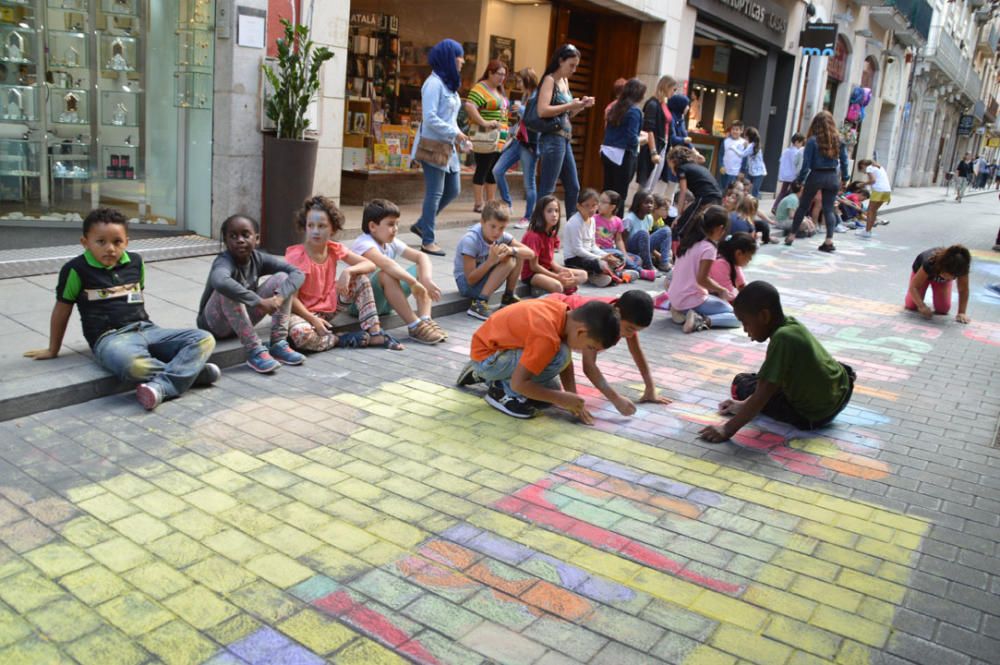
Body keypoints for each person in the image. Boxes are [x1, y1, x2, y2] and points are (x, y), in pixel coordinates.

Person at [25, 207, 218, 410]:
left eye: (117, 242)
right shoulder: (75, 270)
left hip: (148, 329)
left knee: (203, 339)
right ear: (85, 243)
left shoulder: (136, 262)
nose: (110, 248)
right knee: (134, 366)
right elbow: (62, 309)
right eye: (101, 242)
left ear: (126, 241)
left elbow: (136, 298)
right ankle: (191, 374)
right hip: (110, 339)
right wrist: (52, 349)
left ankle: (164, 384)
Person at [699, 281, 856, 442]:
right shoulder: (790, 324)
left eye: (746, 323)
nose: (745, 330)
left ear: (764, 316)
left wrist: (726, 429)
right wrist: (743, 404)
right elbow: (772, 380)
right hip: (842, 390)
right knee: (765, 379)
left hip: (815, 415)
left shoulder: (782, 339)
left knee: (742, 383)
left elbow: (763, 393)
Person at [456, 298, 621, 421]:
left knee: (551, 387)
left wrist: (571, 397)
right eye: (591, 346)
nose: (587, 350)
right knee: (557, 361)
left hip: (492, 348)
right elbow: (520, 383)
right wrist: (561, 398)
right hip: (488, 358)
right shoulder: (547, 337)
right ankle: (501, 392)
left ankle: (488, 375)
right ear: (581, 332)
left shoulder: (563, 313)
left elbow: (566, 364)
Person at [285, 196, 403, 353]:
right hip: (301, 313)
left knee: (360, 279)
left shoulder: (334, 248)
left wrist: (348, 271)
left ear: (333, 229)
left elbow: (369, 265)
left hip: (328, 307)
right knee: (301, 335)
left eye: (322, 226)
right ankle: (339, 339)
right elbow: (291, 300)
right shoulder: (296, 257)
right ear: (304, 227)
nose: (315, 231)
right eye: (310, 225)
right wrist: (312, 319)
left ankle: (375, 333)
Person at [197, 214, 304, 373]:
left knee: (282, 278)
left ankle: (278, 344)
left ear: (257, 238)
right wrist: (260, 302)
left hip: (241, 319)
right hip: (215, 326)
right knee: (227, 288)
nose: (240, 240)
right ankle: (254, 350)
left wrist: (279, 298)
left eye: (245, 235)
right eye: (233, 236)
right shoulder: (223, 261)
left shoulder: (258, 258)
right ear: (226, 241)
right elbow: (219, 281)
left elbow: (297, 273)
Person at [548, 290, 671, 412]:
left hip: (555, 317)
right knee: (559, 359)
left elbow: (636, 352)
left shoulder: (623, 317)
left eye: (635, 331)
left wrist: (650, 388)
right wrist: (574, 401)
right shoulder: (597, 321)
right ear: (617, 313)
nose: (630, 335)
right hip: (548, 314)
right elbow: (588, 367)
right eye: (629, 329)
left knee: (561, 356)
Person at [350, 199, 446, 345]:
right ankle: (414, 326)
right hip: (362, 305)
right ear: (372, 226)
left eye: (396, 224)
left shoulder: (390, 241)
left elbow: (421, 256)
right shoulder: (363, 243)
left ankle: (425, 319)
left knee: (420, 267)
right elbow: (387, 265)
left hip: (386, 301)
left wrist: (425, 280)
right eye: (390, 224)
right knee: (386, 273)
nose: (395, 228)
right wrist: (413, 282)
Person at [410, 39, 470, 256]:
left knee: (453, 190)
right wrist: (455, 133)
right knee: (434, 193)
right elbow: (430, 118)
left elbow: (449, 118)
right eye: (459, 55)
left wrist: (461, 138)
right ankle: (428, 240)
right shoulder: (433, 84)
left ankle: (421, 224)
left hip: (448, 147)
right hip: (433, 146)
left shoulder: (448, 84)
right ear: (448, 57)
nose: (462, 60)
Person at [536, 44, 595, 214]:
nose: (574, 70)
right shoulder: (550, 79)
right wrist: (570, 104)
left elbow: (567, 115)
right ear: (560, 61)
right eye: (571, 65)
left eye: (576, 66)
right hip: (552, 138)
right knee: (547, 189)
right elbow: (542, 110)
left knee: (573, 187)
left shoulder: (564, 81)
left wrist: (580, 105)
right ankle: (539, 230)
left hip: (564, 138)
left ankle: (571, 228)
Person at [454, 201, 535, 320]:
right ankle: (479, 304)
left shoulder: (502, 236)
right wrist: (491, 262)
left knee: (516, 254)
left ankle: (508, 297)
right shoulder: (471, 240)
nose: (497, 232)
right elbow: (470, 280)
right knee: (509, 261)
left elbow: (531, 253)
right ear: (482, 222)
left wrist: (511, 249)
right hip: (466, 285)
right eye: (493, 226)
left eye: (501, 228)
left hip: (483, 278)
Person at [666, 205, 740, 333]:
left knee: (716, 302)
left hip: (674, 296)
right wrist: (721, 290)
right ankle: (701, 320)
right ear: (720, 228)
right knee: (737, 317)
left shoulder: (690, 241)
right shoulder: (709, 248)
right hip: (690, 299)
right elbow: (702, 280)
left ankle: (682, 313)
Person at [786, 111, 849, 252]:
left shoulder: (812, 141)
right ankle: (829, 241)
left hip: (816, 175)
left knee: (803, 206)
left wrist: (800, 180)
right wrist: (845, 179)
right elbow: (844, 162)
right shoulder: (839, 140)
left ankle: (791, 235)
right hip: (832, 176)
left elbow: (806, 164)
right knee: (828, 209)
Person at [493, 68, 539, 229]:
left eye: (520, 81)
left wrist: (520, 110)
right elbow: (523, 123)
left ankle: (528, 217)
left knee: (529, 183)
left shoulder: (538, 95)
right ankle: (507, 202)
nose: (518, 84)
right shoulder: (526, 95)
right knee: (497, 170)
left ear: (527, 80)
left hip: (530, 144)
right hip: (518, 141)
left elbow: (537, 117)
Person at [520, 195, 588, 295]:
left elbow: (550, 260)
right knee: (557, 286)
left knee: (583, 275)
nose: (554, 214)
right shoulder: (533, 236)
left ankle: (562, 286)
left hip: (548, 269)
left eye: (556, 211)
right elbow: (534, 266)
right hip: (533, 274)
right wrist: (556, 276)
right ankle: (541, 289)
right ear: (540, 213)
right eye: (549, 211)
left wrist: (562, 270)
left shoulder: (551, 233)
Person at [465, 59, 509, 213]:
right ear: (490, 72)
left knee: (494, 169)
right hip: (486, 136)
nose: (502, 78)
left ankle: (490, 202)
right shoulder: (481, 88)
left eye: (504, 75)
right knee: (483, 168)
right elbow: (470, 106)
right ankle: (479, 203)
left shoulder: (499, 90)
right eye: (499, 74)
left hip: (499, 137)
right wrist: (484, 122)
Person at [601, 78, 647, 218]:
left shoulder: (614, 107)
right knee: (620, 194)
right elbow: (632, 138)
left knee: (607, 190)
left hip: (607, 152)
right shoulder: (634, 111)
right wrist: (643, 139)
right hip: (622, 155)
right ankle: (615, 227)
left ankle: (601, 221)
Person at [562, 188, 622, 286]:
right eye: (587, 206)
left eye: (594, 205)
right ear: (579, 206)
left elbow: (593, 245)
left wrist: (606, 255)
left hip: (589, 254)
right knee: (600, 263)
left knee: (618, 257)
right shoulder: (575, 223)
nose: (591, 209)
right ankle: (602, 275)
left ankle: (599, 274)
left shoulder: (592, 220)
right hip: (574, 259)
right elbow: (578, 250)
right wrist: (601, 257)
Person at [904, 245, 971, 323]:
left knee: (943, 309)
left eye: (954, 277)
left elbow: (963, 290)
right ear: (942, 267)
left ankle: (940, 285)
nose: (951, 279)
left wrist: (961, 312)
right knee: (911, 305)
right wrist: (921, 306)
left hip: (940, 282)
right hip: (923, 277)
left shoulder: (962, 268)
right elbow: (914, 287)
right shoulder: (930, 262)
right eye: (948, 275)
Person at [669, 145, 723, 240]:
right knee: (700, 225)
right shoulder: (697, 167)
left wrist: (679, 215)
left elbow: (683, 191)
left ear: (673, 161)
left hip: (706, 197)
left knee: (681, 227)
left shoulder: (681, 168)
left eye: (669, 165)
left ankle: (676, 249)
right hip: (717, 198)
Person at [637, 76, 677, 192]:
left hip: (662, 145)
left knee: (652, 184)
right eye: (673, 90)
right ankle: (638, 208)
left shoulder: (663, 104)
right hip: (653, 146)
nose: (674, 93)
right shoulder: (653, 104)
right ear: (666, 87)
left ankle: (644, 207)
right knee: (646, 184)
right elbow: (649, 129)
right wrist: (653, 151)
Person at [623, 189, 672, 273]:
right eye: (646, 203)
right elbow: (623, 242)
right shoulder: (629, 219)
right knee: (643, 233)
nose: (650, 205)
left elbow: (647, 241)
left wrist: (657, 254)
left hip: (643, 248)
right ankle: (648, 266)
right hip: (631, 249)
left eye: (651, 203)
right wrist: (626, 256)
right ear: (638, 204)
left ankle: (664, 263)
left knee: (666, 230)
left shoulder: (649, 218)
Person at [594, 190, 642, 272]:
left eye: (603, 202)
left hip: (611, 250)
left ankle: (620, 268)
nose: (599, 204)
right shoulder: (593, 219)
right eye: (599, 201)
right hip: (599, 251)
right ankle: (640, 271)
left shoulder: (618, 221)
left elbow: (619, 240)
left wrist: (625, 254)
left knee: (637, 259)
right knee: (619, 256)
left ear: (612, 207)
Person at [711, 232, 756, 302]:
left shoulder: (733, 261)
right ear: (739, 253)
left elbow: (742, 286)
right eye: (749, 255)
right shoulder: (720, 264)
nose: (750, 259)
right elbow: (729, 296)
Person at [855, 158, 891, 238]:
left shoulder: (869, 168)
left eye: (861, 169)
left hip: (879, 190)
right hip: (887, 191)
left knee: (870, 211)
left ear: (862, 165)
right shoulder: (879, 167)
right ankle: (868, 230)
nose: (863, 172)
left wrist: (862, 184)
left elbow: (873, 180)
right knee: (873, 211)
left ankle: (867, 231)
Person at [772, 133, 805, 214]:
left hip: (785, 175)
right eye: (801, 143)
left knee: (782, 191)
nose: (801, 145)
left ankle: (775, 206)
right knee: (791, 193)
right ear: (797, 142)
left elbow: (781, 161)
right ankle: (785, 208)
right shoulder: (797, 152)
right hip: (793, 176)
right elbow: (797, 164)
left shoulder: (786, 151)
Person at [720, 121, 753, 190]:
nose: (734, 131)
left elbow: (745, 158)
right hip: (725, 171)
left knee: (733, 191)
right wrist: (721, 166)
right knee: (723, 189)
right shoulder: (725, 141)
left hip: (736, 173)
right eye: (733, 129)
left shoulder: (744, 143)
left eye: (737, 130)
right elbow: (721, 154)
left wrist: (742, 171)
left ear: (741, 131)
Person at [742, 126, 766, 199]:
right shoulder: (752, 145)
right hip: (751, 171)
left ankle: (753, 205)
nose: (744, 137)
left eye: (745, 135)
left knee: (754, 191)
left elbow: (742, 154)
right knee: (746, 188)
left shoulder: (753, 146)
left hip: (759, 173)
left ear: (749, 136)